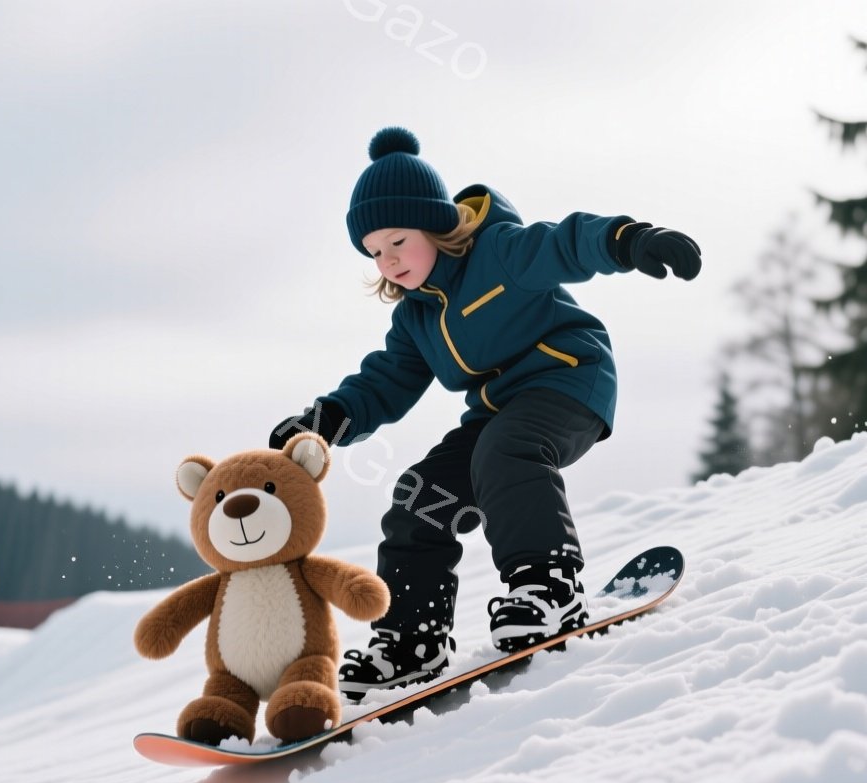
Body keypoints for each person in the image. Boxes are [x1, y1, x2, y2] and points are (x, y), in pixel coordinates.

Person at [269, 126, 701, 702]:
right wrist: (325, 420)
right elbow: (386, 383)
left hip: (570, 379)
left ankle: (549, 587)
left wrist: (632, 240)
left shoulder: (498, 252)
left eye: (398, 241)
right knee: (420, 494)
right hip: (500, 410)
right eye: (375, 252)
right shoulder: (417, 319)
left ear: (435, 225)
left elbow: (567, 243)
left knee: (505, 451)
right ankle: (410, 640)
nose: (388, 260)